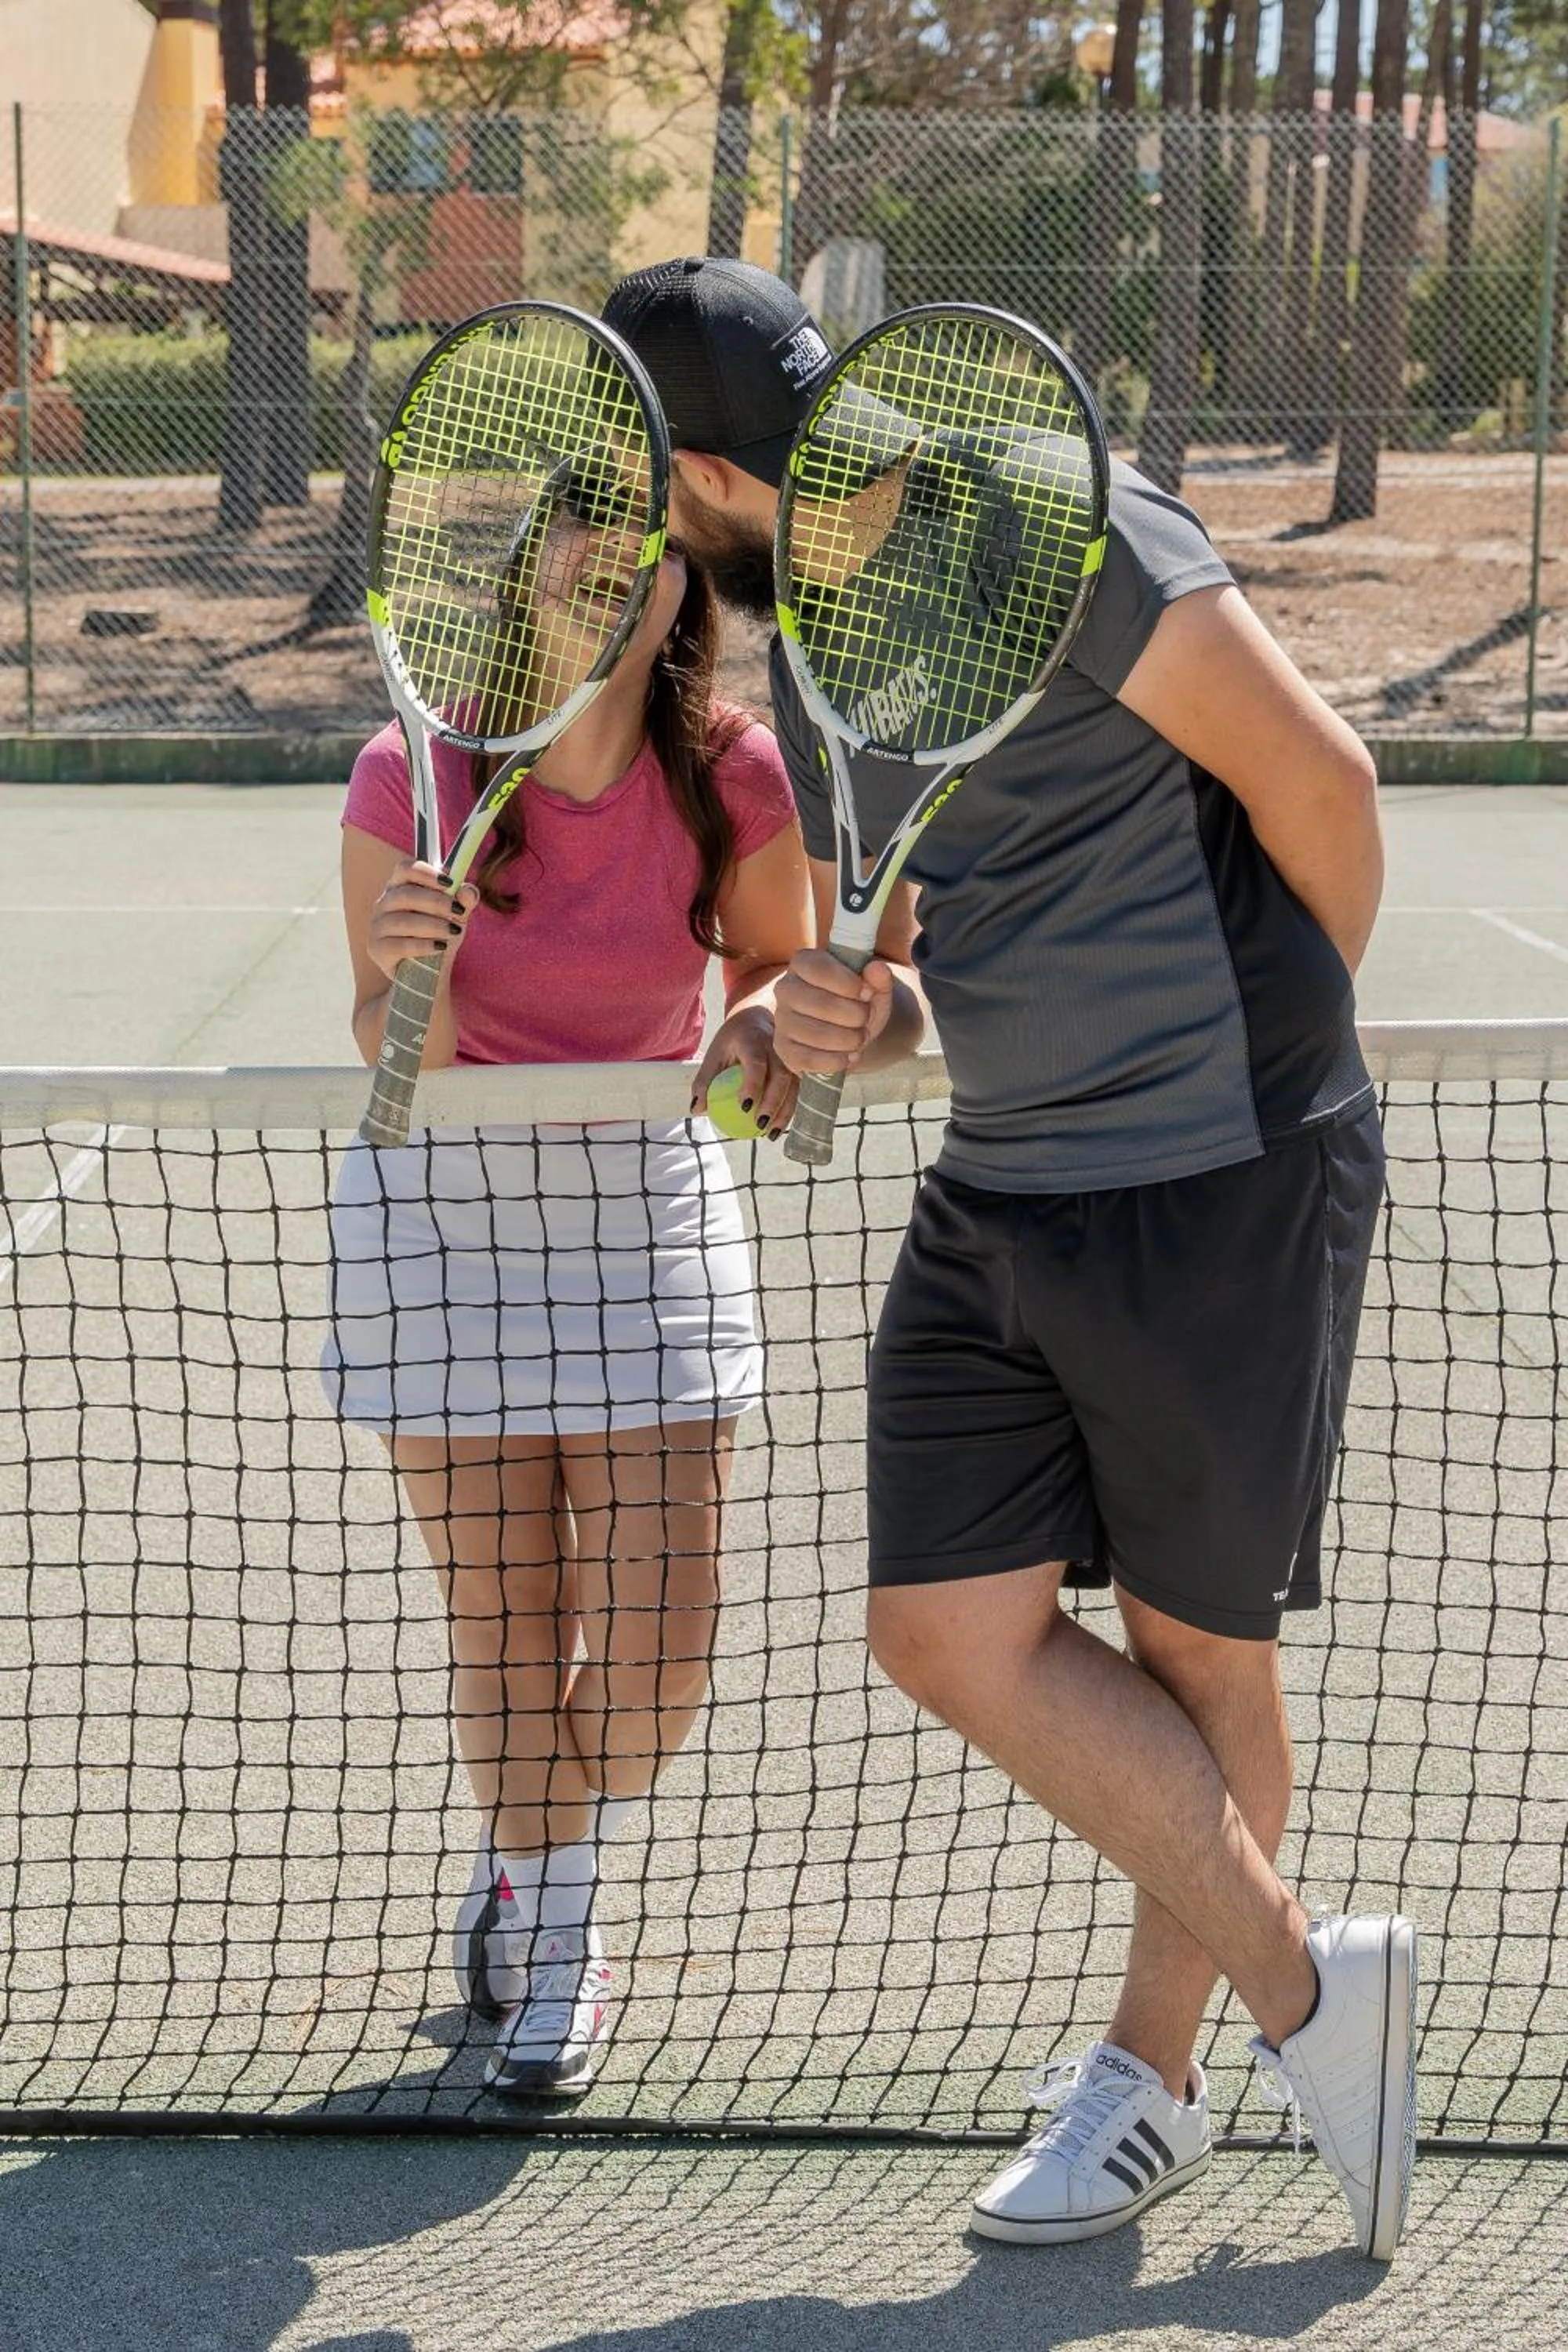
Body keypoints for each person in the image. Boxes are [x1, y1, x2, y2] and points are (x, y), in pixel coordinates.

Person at [601, 256, 1416, 2260]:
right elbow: (903, 967)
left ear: (704, 473)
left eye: (641, 483)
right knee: (943, 1632)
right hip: (998, 1181)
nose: (639, 523)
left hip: (1211, 1179)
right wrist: (820, 1019)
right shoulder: (814, 633)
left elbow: (1324, 787)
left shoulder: (1073, 528)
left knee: (1199, 1653)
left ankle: (1154, 2080)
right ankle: (1323, 1994)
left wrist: (1252, 1078)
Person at [321, 522, 813, 2099]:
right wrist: (410, 973)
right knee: (511, 1626)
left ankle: (531, 1854)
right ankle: (562, 1938)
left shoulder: (734, 778)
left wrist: (754, 1053)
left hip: (647, 1209)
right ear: (533, 560)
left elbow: (772, 1016)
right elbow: (401, 1064)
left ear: (683, 592)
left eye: (653, 538)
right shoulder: (411, 772)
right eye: (586, 524)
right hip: (440, 1215)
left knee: (662, 1640)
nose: (617, 557)